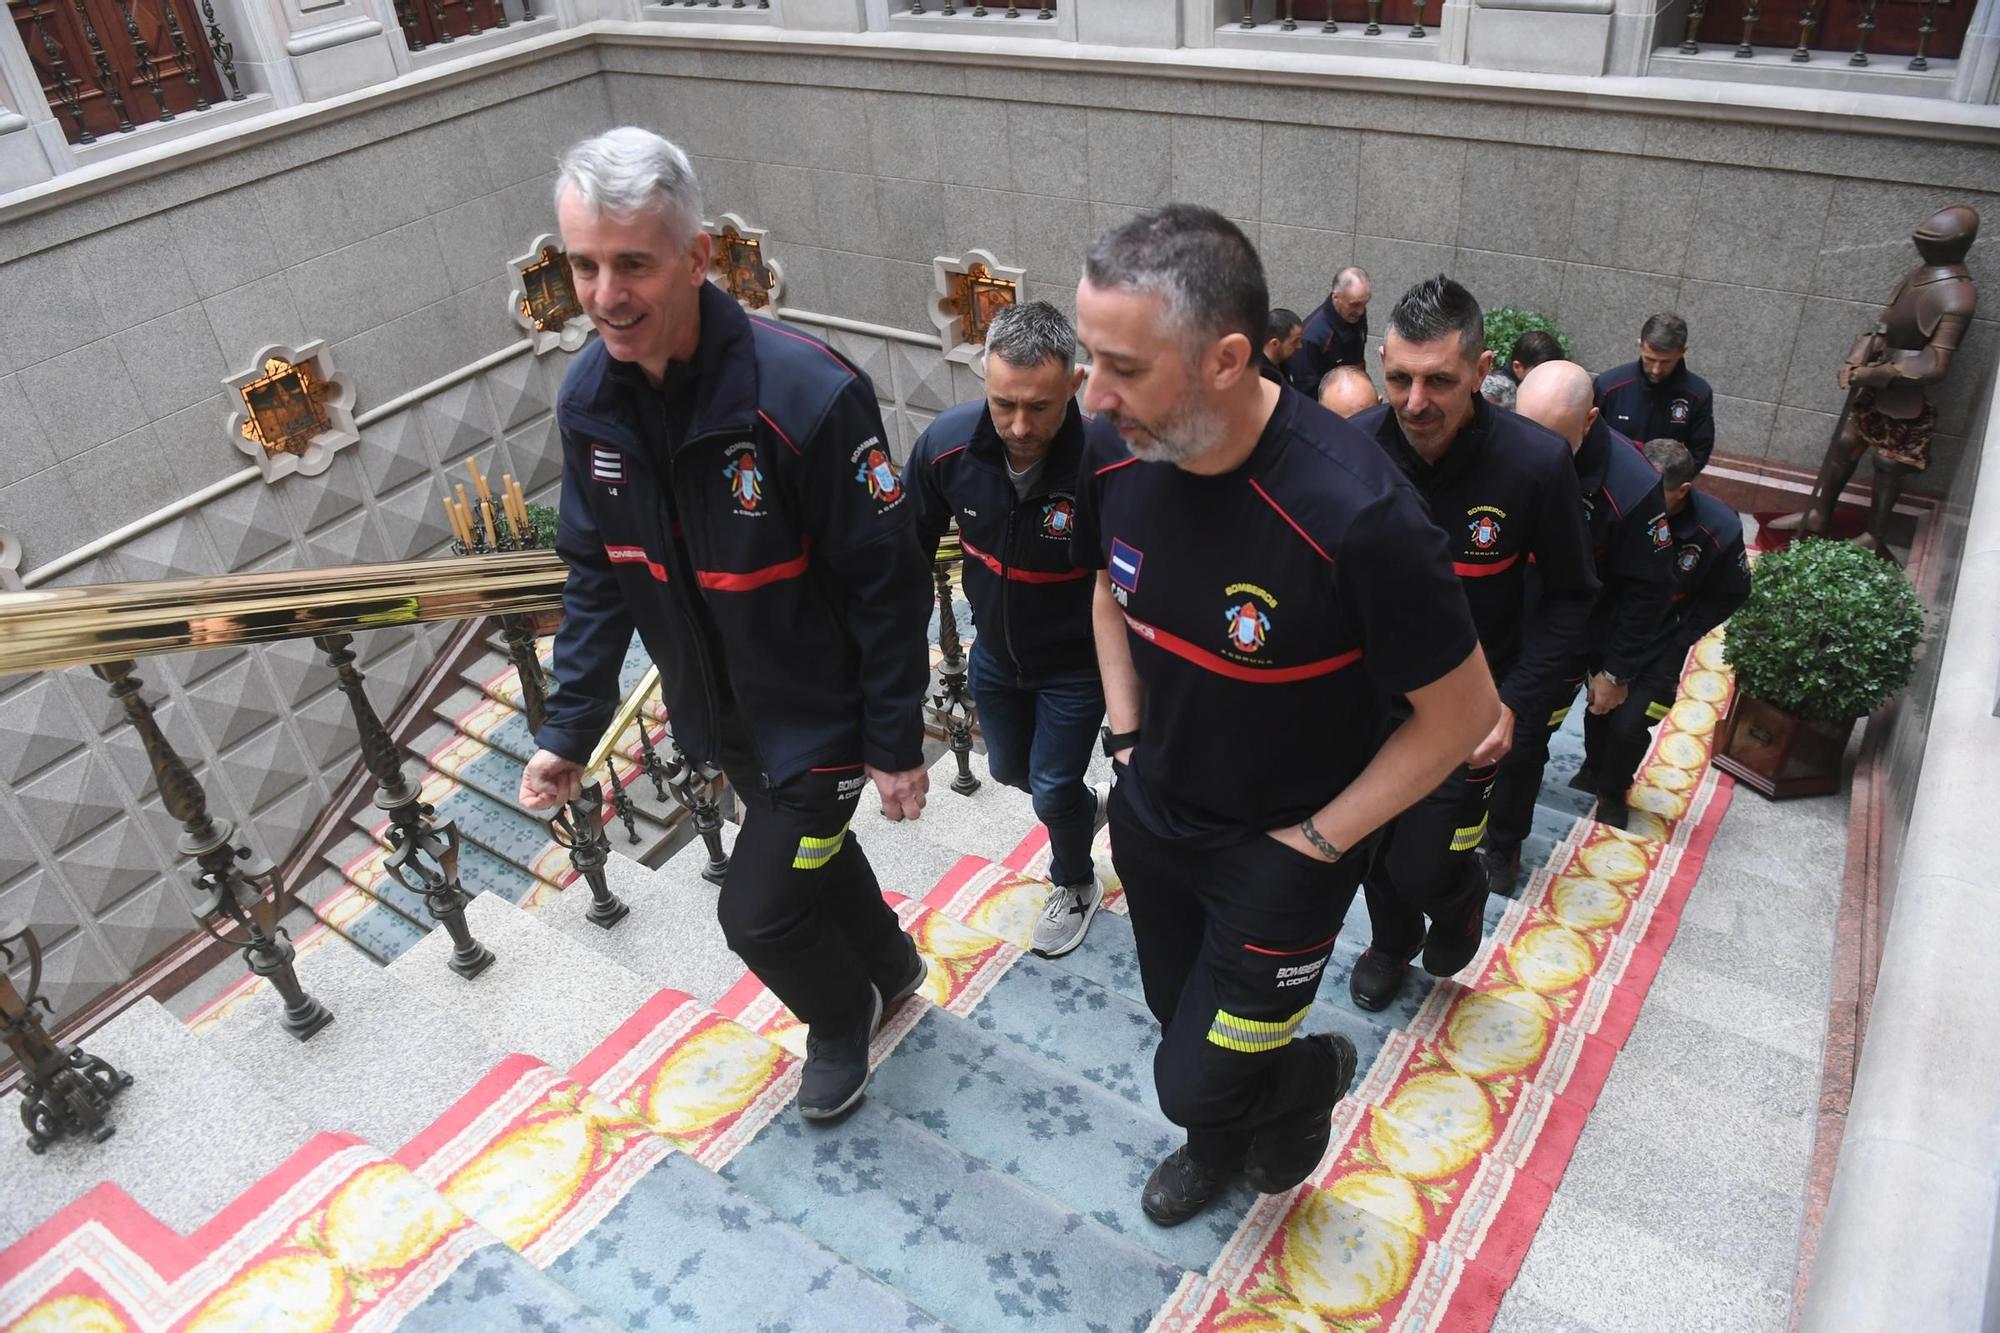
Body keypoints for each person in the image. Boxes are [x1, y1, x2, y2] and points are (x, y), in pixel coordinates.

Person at [1072, 207, 1499, 1226]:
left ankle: (1307, 1076)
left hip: (1283, 849)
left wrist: (1314, 842)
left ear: (1224, 358)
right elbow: (1105, 590)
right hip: (1152, 808)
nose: (1092, 395)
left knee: (1194, 1070)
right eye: (1092, 360)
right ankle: (1217, 1143)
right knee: (1175, 1015)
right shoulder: (1114, 449)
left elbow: (1463, 713)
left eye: (1120, 367)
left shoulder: (1357, 512)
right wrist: (1124, 740)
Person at [520, 127, 932, 1123]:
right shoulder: (589, 404)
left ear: (697, 258)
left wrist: (892, 740)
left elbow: (886, 580)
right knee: (807, 867)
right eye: (583, 265)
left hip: (822, 729)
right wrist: (569, 730)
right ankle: (890, 962)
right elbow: (596, 574)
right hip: (723, 722)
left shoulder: (807, 397)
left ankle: (841, 1015)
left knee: (758, 912)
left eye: (632, 264)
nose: (605, 295)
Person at [1348, 277, 1597, 1011]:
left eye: (1439, 381)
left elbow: (1572, 595)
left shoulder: (1535, 464)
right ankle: (1389, 941)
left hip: (1470, 711)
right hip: (1365, 702)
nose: (1416, 401)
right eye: (1399, 378)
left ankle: (1456, 899)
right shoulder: (1351, 450)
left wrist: (1515, 704)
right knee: (1369, 845)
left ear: (1482, 369)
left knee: (1426, 862)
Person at [905, 302, 1107, 958]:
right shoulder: (948, 446)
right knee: (1013, 770)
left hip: (1076, 664)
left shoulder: (1106, 464)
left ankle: (1075, 881)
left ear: (1075, 384)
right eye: (1003, 404)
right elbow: (907, 547)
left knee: (1048, 785)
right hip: (993, 654)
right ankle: (1078, 808)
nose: (1020, 426)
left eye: (1039, 407)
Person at [1480, 361, 1675, 892]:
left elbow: (1648, 589)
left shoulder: (1631, 487)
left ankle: (1502, 846)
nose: (1533, 450)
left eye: (1552, 439)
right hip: (1489, 614)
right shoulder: (1497, 439)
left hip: (1561, 636)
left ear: (1590, 420)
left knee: (1520, 743)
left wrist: (1616, 668)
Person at [1573, 438, 1751, 827]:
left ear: (1683, 490)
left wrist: (1683, 631)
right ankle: (1594, 766)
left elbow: (1733, 592)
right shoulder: (1624, 504)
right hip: (1612, 631)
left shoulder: (1718, 527)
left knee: (1631, 724)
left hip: (1662, 643)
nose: (1647, 503)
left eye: (1659, 496)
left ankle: (1614, 790)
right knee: (1599, 706)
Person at [1594, 314, 1716, 470]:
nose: (1656, 370)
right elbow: (1589, 437)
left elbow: (1699, 450)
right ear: (1640, 344)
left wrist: (1672, 485)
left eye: (1665, 362)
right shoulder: (1608, 386)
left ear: (1682, 352)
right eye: (1650, 359)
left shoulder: (1698, 394)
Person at [1284, 265, 1371, 395]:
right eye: (1355, 305)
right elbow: (1306, 393)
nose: (1361, 311)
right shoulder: (1311, 338)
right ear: (1336, 298)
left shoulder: (1356, 316)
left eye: (1365, 303)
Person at [1263, 307, 1304, 374]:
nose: (1300, 346)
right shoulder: (1259, 378)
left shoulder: (1285, 361)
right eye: (1295, 342)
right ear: (1275, 344)